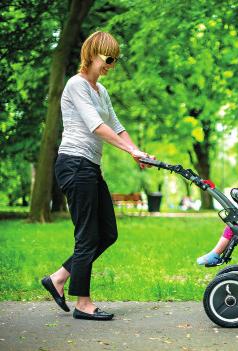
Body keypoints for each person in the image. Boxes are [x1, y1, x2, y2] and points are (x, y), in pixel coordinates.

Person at [41, 31, 153, 321]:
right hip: (74, 164)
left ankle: (58, 278)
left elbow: (115, 125)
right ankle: (83, 303)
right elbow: (96, 126)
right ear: (92, 54)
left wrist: (136, 151)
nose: (111, 64)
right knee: (87, 235)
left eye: (115, 59)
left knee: (107, 233)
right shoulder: (76, 85)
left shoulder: (101, 91)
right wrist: (130, 149)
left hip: (89, 167)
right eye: (108, 58)